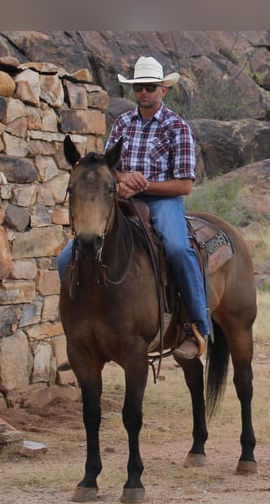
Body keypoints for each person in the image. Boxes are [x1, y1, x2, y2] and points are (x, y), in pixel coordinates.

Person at [57, 56, 208, 359]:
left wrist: (143, 186)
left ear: (163, 89)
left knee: (178, 248)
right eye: (139, 87)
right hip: (123, 198)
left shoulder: (177, 126)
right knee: (65, 258)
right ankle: (81, 329)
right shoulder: (123, 123)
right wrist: (122, 179)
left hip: (162, 200)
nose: (144, 92)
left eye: (150, 87)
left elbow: (184, 185)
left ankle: (196, 325)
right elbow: (108, 167)